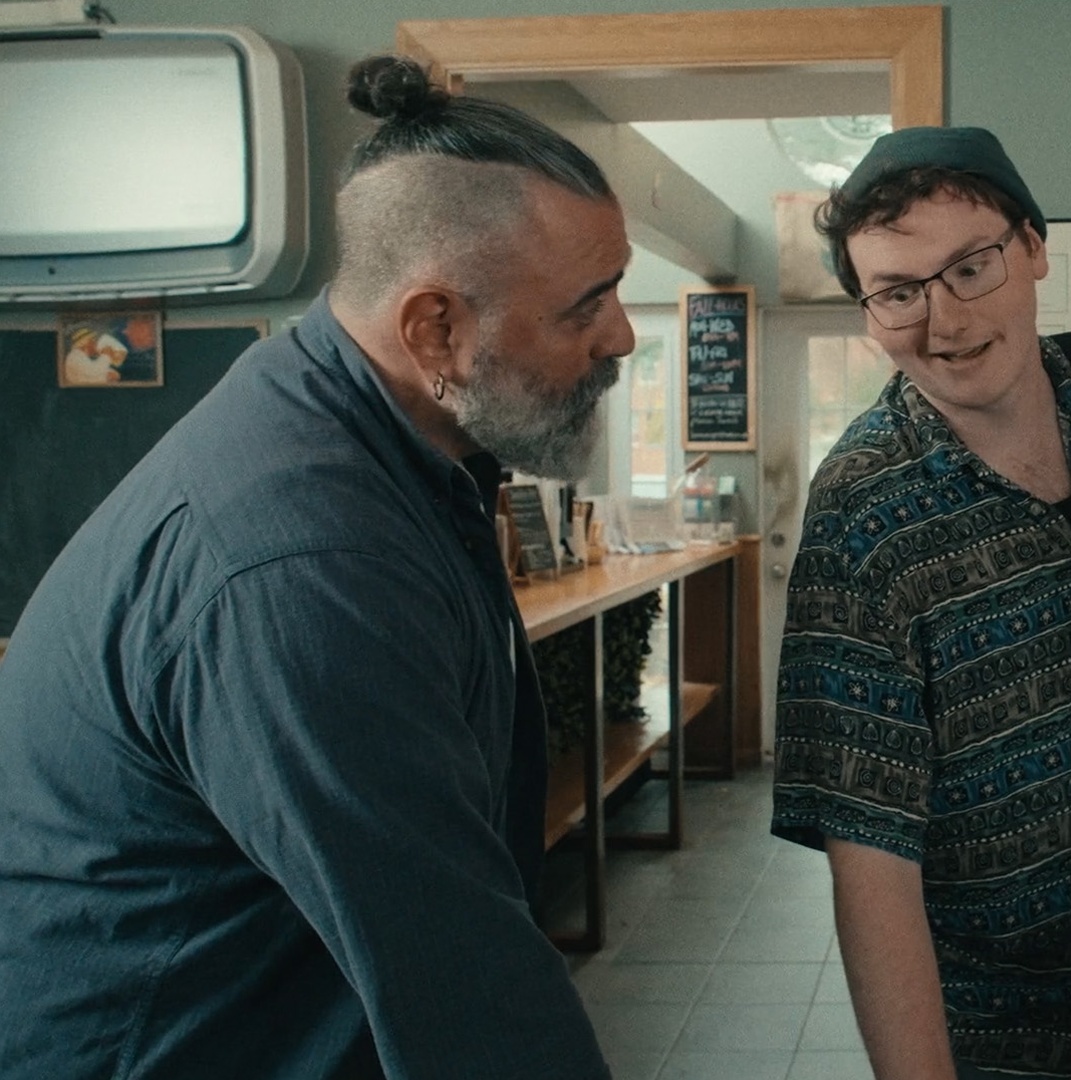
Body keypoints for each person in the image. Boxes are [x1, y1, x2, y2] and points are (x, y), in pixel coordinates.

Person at [0, 56, 633, 1079]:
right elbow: (462, 980)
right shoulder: (303, 561)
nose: (623, 336)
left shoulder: (382, 443)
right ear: (436, 329)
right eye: (584, 307)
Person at [770, 126, 1071, 1080]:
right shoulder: (861, 513)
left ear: (1033, 248)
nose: (943, 322)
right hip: (989, 1024)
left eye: (970, 268)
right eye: (898, 292)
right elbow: (868, 858)